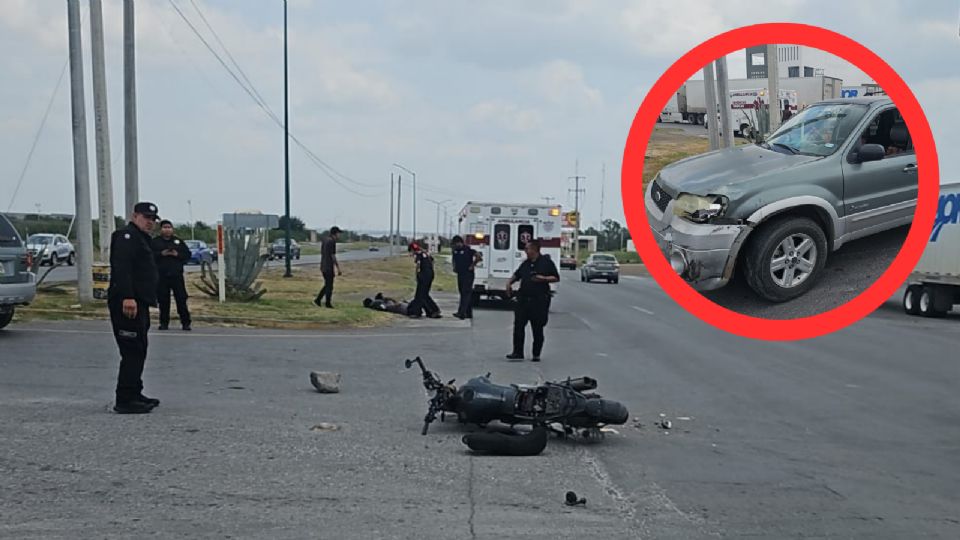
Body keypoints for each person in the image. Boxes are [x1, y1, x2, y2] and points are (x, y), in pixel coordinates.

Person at [108, 202, 162, 414]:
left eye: (153, 219)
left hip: (140, 303)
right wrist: (127, 297)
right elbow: (122, 268)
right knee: (132, 350)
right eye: (146, 217)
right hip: (127, 303)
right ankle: (125, 399)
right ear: (134, 216)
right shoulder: (126, 237)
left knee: (139, 348)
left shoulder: (141, 238)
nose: (150, 222)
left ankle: (134, 392)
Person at [504, 239, 559, 362]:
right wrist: (509, 283)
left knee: (537, 328)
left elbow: (556, 277)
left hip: (539, 301)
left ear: (534, 249)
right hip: (523, 299)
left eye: (527, 249)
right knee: (518, 326)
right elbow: (517, 275)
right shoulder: (526, 263)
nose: (525, 251)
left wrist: (543, 278)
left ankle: (536, 354)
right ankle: (517, 352)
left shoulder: (546, 262)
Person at [151, 220, 192, 331]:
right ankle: (164, 323)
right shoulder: (155, 242)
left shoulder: (178, 241)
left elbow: (187, 255)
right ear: (160, 229)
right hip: (161, 276)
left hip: (176, 276)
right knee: (163, 301)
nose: (167, 229)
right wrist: (161, 254)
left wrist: (177, 254)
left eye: (169, 227)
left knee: (181, 300)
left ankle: (186, 323)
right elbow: (149, 256)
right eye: (165, 227)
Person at [407, 242, 441, 319]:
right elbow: (432, 260)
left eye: (411, 251)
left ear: (412, 250)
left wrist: (416, 275)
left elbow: (418, 264)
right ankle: (432, 311)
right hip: (430, 274)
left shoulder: (418, 254)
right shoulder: (425, 253)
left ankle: (416, 312)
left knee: (419, 295)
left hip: (423, 275)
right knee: (424, 294)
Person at [451, 235, 481, 320]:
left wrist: (472, 265)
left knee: (465, 293)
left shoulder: (468, 249)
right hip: (460, 274)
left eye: (456, 244)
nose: (455, 245)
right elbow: (454, 259)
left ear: (460, 242)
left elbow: (478, 256)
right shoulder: (455, 250)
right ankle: (468, 313)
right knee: (462, 292)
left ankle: (461, 313)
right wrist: (454, 267)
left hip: (468, 274)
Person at [314, 226, 343, 308]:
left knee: (327, 285)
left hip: (323, 265)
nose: (339, 235)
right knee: (329, 286)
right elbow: (333, 255)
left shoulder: (325, 240)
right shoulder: (332, 242)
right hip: (328, 266)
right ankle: (327, 303)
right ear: (335, 233)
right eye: (338, 233)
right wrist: (338, 268)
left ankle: (318, 300)